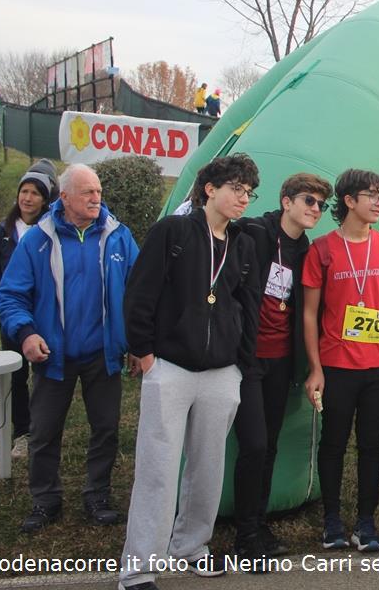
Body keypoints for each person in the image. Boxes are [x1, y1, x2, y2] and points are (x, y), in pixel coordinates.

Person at [118, 155, 262, 589]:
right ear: (210, 189)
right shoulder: (173, 232)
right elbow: (139, 293)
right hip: (170, 367)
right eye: (236, 188)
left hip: (222, 372)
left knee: (208, 468)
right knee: (158, 468)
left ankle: (190, 547)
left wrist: (240, 364)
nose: (244, 198)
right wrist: (145, 354)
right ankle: (139, 568)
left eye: (249, 192)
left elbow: (249, 307)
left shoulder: (242, 244)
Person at [0, 163, 138, 533]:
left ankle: (98, 496)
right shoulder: (37, 239)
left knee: (106, 429)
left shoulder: (118, 236)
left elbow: (139, 293)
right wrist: (27, 333)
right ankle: (45, 500)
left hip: (103, 354)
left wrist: (136, 343)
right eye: (88, 192)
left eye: (99, 191)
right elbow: (10, 295)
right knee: (44, 432)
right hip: (53, 355)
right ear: (65, 197)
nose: (96, 198)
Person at [302, 169, 379, 552]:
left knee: (372, 444)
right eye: (371, 195)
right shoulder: (322, 249)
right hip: (337, 365)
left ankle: (366, 523)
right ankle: (332, 522)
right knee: (333, 442)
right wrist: (315, 367)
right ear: (349, 201)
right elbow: (309, 314)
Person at [231, 172, 333, 565]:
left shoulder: (306, 251)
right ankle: (245, 535)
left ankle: (257, 525)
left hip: (280, 361)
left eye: (321, 204)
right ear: (286, 201)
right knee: (254, 444)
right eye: (309, 200)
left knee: (268, 445)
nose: (315, 209)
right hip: (245, 359)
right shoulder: (254, 233)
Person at [0, 158, 57, 460]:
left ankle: (44, 425)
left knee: (44, 372)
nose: (27, 198)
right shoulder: (3, 232)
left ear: (45, 199)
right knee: (16, 373)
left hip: (43, 313)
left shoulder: (50, 230)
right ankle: (21, 430)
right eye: (24, 191)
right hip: (14, 316)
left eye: (35, 193)